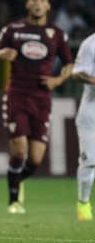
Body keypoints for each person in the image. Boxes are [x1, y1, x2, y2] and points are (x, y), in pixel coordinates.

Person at [0, 0, 74, 214]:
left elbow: (69, 64)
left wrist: (58, 81)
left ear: (48, 5)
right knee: (18, 150)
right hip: (17, 94)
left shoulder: (57, 33)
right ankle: (14, 200)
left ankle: (18, 178)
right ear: (27, 3)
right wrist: (0, 54)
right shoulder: (13, 29)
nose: (37, 3)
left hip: (43, 98)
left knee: (35, 159)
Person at [72, 32, 95, 221]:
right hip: (91, 116)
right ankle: (83, 202)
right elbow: (77, 73)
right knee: (90, 161)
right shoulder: (90, 43)